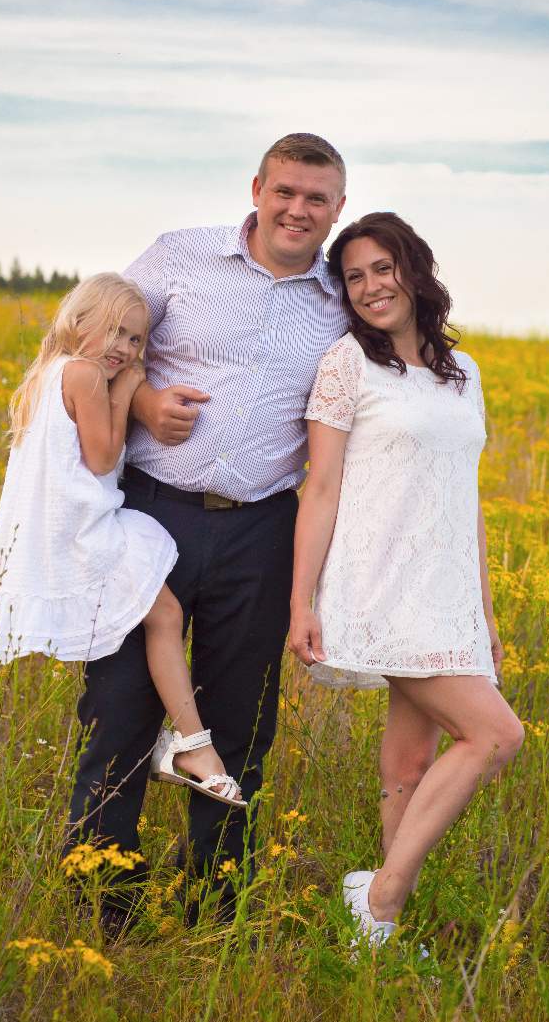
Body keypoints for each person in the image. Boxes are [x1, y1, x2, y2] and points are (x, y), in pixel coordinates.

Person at [65, 133, 349, 912]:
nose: (296, 209)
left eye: (315, 198)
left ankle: (216, 902)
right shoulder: (178, 255)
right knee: (120, 707)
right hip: (151, 510)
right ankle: (100, 900)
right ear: (256, 189)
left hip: (262, 529)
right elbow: (96, 341)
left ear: (337, 209)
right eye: (283, 191)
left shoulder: (340, 300)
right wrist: (145, 401)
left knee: (240, 722)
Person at [288, 212, 524, 946]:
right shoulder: (346, 365)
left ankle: (381, 937)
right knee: (495, 735)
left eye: (382, 269)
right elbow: (320, 488)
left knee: (411, 761)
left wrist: (482, 609)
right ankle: (382, 899)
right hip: (380, 586)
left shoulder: (464, 372)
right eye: (354, 276)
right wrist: (301, 601)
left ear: (413, 270)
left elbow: (463, 495)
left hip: (444, 592)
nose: (369, 287)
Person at [0, 273, 244, 807]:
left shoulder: (49, 371)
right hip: (85, 533)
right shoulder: (86, 375)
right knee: (166, 616)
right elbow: (102, 457)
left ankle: (184, 744)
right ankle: (192, 746)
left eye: (136, 339)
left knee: (159, 618)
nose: (125, 349)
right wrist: (130, 389)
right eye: (116, 331)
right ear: (80, 321)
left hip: (62, 533)